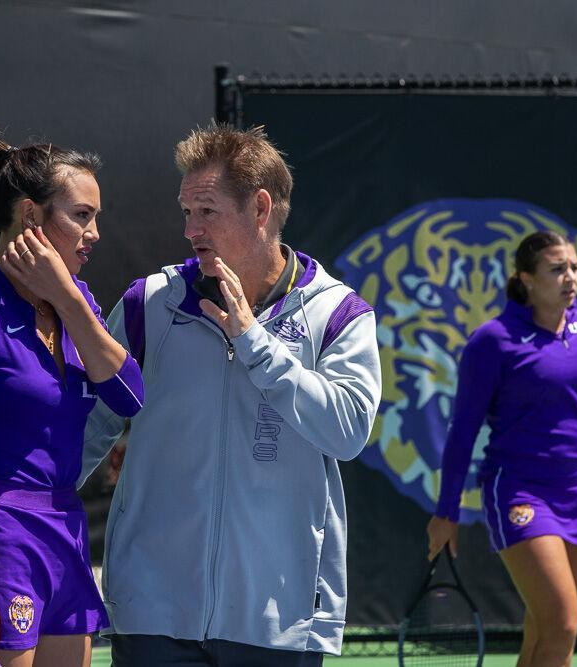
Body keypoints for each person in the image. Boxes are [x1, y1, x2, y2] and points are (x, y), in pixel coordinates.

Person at [72, 125, 382, 666]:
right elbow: (90, 426)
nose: (190, 228)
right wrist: (11, 510)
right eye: (186, 211)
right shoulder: (148, 303)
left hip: (276, 621)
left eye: (207, 211)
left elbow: (349, 432)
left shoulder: (339, 314)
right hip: (151, 613)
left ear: (260, 208)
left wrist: (256, 344)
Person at [0, 126, 143, 667]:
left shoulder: (77, 301)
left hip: (65, 530)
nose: (94, 233)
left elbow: (129, 394)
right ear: (32, 217)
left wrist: (66, 296)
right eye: (82, 215)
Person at [427, 231, 577, 667]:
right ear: (526, 280)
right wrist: (447, 512)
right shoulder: (493, 340)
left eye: (575, 268)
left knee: (545, 632)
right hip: (520, 492)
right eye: (557, 269)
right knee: (562, 625)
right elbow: (463, 430)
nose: (570, 278)